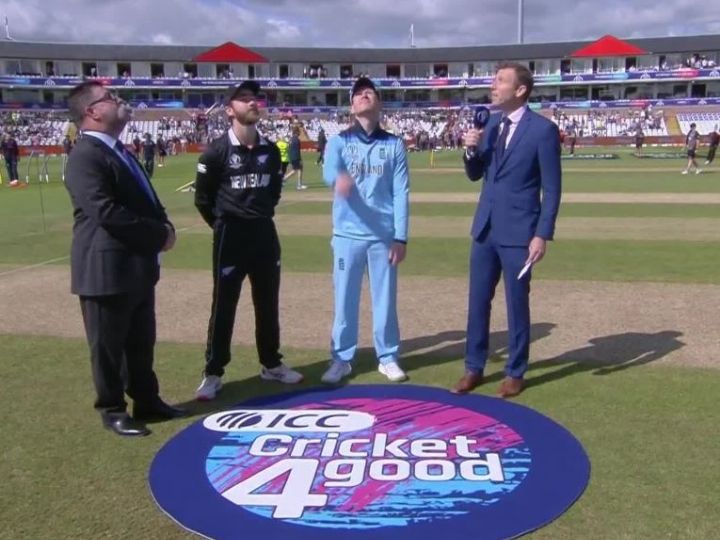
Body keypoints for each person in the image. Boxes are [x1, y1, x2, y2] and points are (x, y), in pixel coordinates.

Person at [63, 81, 186, 437]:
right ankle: (112, 409)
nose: (119, 100)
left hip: (136, 266)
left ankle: (147, 400)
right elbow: (106, 212)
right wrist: (158, 235)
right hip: (105, 269)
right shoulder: (86, 155)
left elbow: (145, 199)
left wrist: (164, 224)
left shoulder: (118, 150)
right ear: (92, 111)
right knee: (108, 348)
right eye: (110, 98)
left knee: (140, 343)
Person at [453, 62, 561, 398]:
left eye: (501, 80)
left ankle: (515, 371)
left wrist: (542, 234)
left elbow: (552, 189)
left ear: (520, 90)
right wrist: (471, 149)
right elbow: (476, 174)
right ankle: (473, 367)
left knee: (516, 303)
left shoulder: (542, 130)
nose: (493, 85)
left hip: (520, 232)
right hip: (485, 228)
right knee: (477, 302)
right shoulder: (491, 123)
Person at [194, 80, 303, 401]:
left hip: (264, 234)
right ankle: (213, 372)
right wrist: (222, 224)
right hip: (230, 236)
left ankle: (271, 363)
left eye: (255, 98)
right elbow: (203, 200)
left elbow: (274, 191)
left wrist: (259, 214)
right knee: (224, 305)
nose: (253, 102)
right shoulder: (216, 152)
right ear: (230, 110)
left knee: (267, 302)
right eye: (244, 99)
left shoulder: (270, 150)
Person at [321, 77, 410, 384]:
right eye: (358, 93)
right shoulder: (339, 141)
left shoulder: (394, 144)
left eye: (370, 92)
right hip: (347, 235)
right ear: (351, 106)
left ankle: (388, 357)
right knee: (344, 300)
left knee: (385, 300)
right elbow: (328, 170)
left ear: (379, 103)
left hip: (383, 237)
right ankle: (341, 358)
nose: (364, 95)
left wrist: (400, 236)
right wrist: (338, 179)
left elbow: (401, 192)